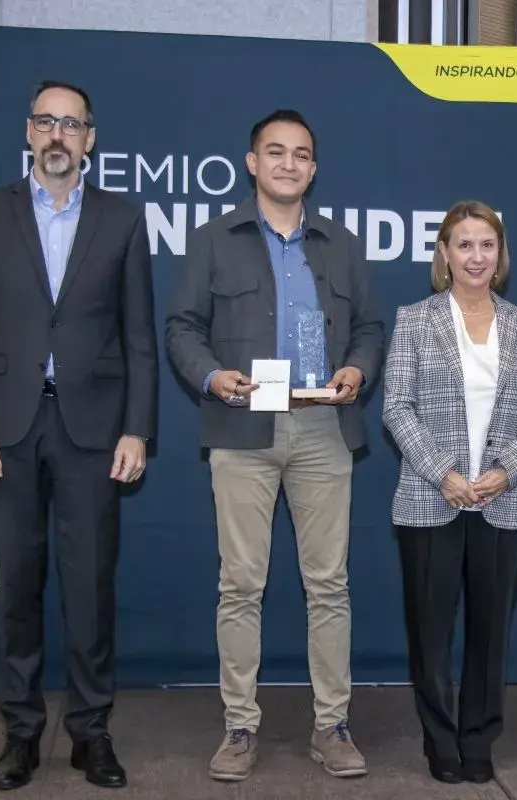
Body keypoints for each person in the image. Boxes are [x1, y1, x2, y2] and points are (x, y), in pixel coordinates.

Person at [0, 80, 158, 791]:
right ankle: (20, 734)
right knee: (18, 588)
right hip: (7, 428)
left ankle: (91, 734)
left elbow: (138, 337)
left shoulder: (122, 219)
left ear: (89, 138)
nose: (58, 135)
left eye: (71, 124)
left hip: (93, 430)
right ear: (29, 132)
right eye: (46, 122)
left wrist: (137, 429)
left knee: (90, 588)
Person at [165, 109, 384, 782]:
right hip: (242, 427)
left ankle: (332, 725)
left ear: (313, 169)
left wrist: (358, 370)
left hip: (323, 428)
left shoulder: (342, 244)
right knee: (240, 584)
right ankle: (239, 726)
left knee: (329, 585)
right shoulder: (213, 240)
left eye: (301, 155)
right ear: (252, 162)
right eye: (276, 152)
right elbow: (181, 328)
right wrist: (211, 376)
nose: (289, 163)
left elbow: (370, 328)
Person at [382, 200, 517, 784]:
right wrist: (443, 474)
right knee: (430, 633)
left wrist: (509, 470)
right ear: (445, 254)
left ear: (500, 254)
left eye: (487, 245)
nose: (476, 256)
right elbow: (396, 408)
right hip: (431, 500)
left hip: (504, 502)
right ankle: (440, 740)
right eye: (465, 245)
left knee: (490, 632)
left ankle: (479, 738)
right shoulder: (415, 319)